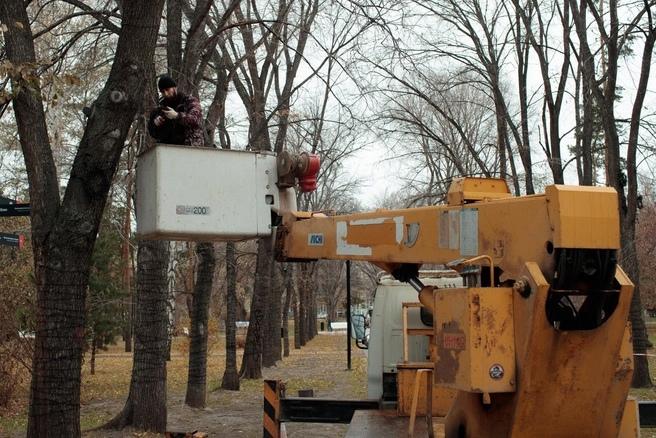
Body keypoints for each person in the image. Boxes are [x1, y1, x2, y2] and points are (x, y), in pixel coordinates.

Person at [148, 75, 204, 146]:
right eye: (162, 91)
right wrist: (155, 124)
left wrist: (177, 115)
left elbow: (195, 120)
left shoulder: (189, 101)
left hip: (190, 147)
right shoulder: (160, 109)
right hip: (167, 149)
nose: (165, 93)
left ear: (174, 88)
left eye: (167, 89)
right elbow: (152, 133)